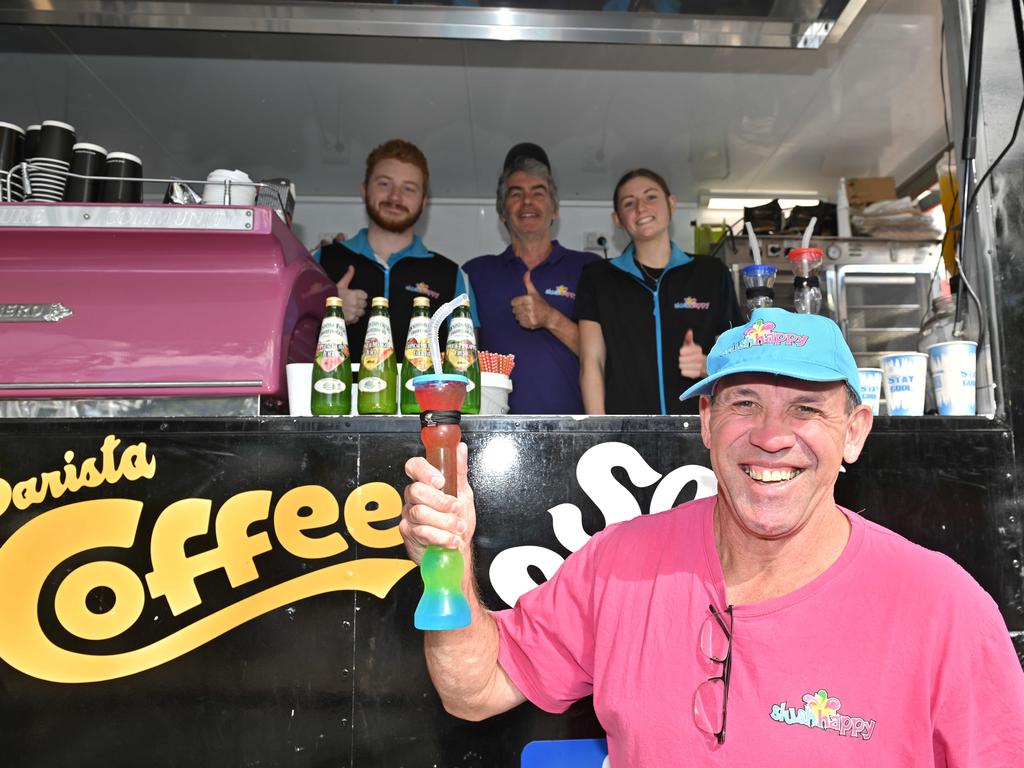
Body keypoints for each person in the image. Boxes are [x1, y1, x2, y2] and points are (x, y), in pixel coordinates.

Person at [400, 307, 1024, 765]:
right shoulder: (620, 564)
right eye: (744, 403)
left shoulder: (944, 607)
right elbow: (473, 691)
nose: (772, 436)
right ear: (705, 420)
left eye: (806, 408)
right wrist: (447, 563)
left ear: (855, 432)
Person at [577, 168, 743, 415]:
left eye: (650, 196)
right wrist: (600, 436)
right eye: (629, 203)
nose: (641, 208)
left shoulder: (711, 273)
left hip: (700, 431)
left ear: (671, 203)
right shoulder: (598, 277)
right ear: (617, 219)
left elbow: (738, 357)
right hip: (626, 434)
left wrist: (707, 365)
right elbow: (592, 364)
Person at [463, 144, 600, 414]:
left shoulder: (590, 268)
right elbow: (462, 363)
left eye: (538, 192)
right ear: (502, 212)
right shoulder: (474, 273)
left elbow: (609, 360)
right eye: (516, 194)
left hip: (575, 431)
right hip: (495, 435)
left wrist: (551, 319)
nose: (528, 202)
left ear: (554, 210)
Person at [317, 138, 472, 360]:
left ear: (423, 201)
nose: (395, 197)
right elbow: (289, 342)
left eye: (408, 188)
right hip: (334, 395)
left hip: (423, 397)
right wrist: (327, 310)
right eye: (384, 184)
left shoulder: (452, 275)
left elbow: (466, 365)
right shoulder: (321, 260)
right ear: (364, 189)